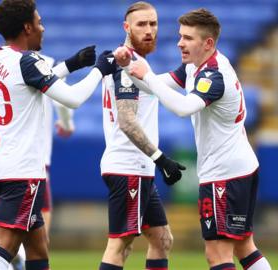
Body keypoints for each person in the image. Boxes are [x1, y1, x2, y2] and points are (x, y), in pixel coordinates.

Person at [115, 8, 272, 270]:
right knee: (244, 246)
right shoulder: (194, 67)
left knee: (217, 253)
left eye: (188, 38)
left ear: (208, 43)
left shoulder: (214, 75)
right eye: (180, 36)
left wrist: (147, 75)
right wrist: (128, 67)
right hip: (238, 168)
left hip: (225, 174)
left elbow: (183, 107)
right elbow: (157, 85)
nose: (179, 43)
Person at [0, 0, 117, 269]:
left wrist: (72, 64)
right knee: (6, 242)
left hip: (1, 163)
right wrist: (100, 69)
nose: (43, 28)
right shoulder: (28, 61)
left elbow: (28, 81)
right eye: (39, 22)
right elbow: (73, 98)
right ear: (27, 27)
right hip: (24, 168)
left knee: (38, 248)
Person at [0, 50, 87, 270]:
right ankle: (17, 261)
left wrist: (3, 128)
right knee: (14, 240)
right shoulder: (44, 64)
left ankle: (18, 260)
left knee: (33, 241)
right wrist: (67, 124)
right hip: (31, 162)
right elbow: (65, 102)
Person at [99, 2, 185, 270]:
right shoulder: (126, 63)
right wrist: (161, 159)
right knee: (120, 244)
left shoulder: (133, 62)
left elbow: (156, 84)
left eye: (153, 23)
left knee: (161, 239)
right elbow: (127, 121)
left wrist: (192, 64)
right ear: (126, 27)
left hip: (138, 168)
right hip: (129, 167)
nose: (150, 30)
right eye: (142, 24)